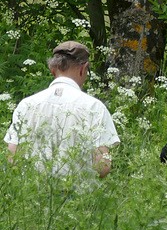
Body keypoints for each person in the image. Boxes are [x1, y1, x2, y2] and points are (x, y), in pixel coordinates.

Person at [4, 41, 120, 178]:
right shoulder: (94, 107)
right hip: (78, 196)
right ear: (84, 68)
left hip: (33, 193)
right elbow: (102, 166)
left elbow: (13, 159)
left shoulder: (26, 105)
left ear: (52, 69)